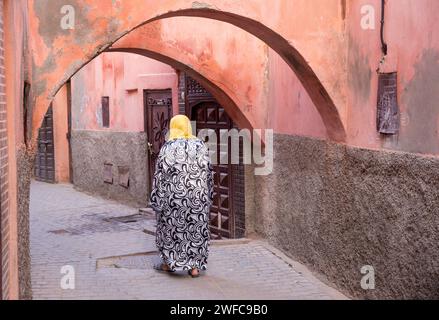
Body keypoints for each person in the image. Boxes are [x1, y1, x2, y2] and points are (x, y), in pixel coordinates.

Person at [150, 115, 214, 278]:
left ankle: (168, 264)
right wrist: (209, 196)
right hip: (197, 198)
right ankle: (194, 268)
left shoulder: (168, 148)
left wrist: (156, 199)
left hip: (174, 198)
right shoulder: (200, 145)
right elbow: (208, 173)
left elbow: (160, 176)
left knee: (171, 230)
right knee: (195, 230)